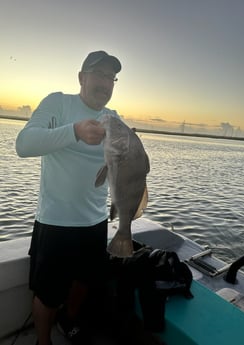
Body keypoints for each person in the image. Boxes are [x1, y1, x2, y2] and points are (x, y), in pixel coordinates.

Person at [16, 50, 122, 345]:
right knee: (48, 293)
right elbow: (23, 144)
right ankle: (43, 340)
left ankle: (69, 318)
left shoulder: (113, 119)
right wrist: (74, 131)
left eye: (111, 78)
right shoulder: (58, 104)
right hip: (56, 221)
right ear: (81, 77)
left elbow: (120, 166)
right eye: (99, 74)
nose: (105, 83)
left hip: (96, 221)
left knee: (84, 282)